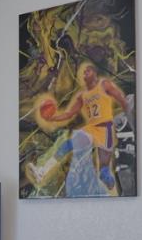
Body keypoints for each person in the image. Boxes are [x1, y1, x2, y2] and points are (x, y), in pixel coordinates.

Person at [25, 63, 130, 194]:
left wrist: (130, 115)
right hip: (91, 128)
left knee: (104, 172)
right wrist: (52, 118)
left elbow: (120, 98)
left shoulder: (104, 84)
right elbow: (69, 114)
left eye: (88, 70)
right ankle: (42, 171)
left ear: (95, 73)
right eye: (83, 71)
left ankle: (111, 184)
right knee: (68, 144)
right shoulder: (82, 95)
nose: (85, 71)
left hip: (105, 129)